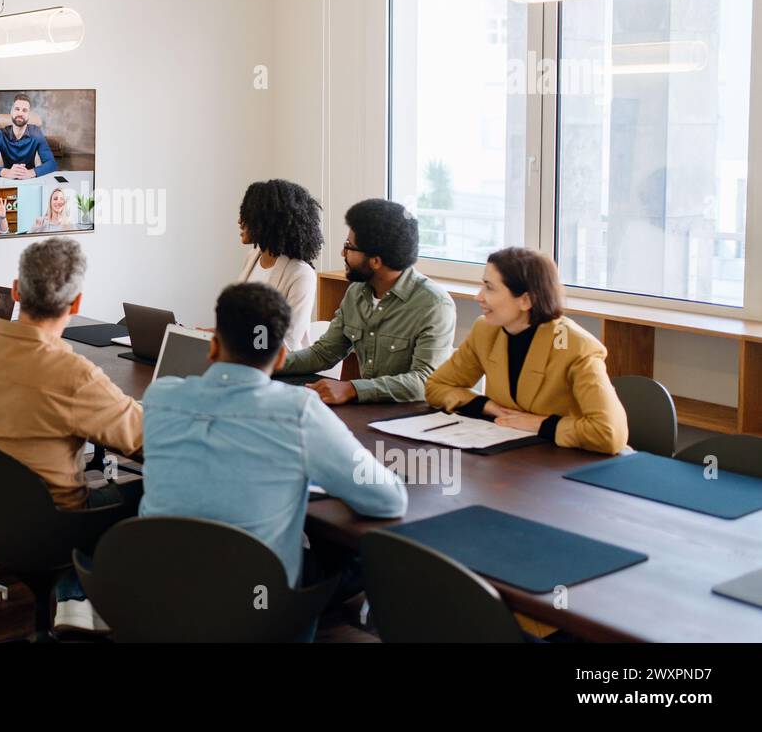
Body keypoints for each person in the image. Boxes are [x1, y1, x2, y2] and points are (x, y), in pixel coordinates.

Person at [139, 282, 408, 641]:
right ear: (281, 357)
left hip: (158, 585)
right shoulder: (298, 412)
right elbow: (387, 500)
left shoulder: (159, 395)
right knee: (354, 557)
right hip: (255, 603)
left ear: (214, 344)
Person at [0, 237, 142, 633]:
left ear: (16, 290)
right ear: (76, 304)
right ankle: (94, 597)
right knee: (141, 489)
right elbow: (142, 437)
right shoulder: (72, 374)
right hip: (50, 528)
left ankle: (74, 596)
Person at [426, 247, 629, 455]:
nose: (479, 297)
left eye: (489, 288)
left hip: (568, 462)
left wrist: (541, 424)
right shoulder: (485, 330)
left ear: (526, 300)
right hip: (512, 454)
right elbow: (437, 386)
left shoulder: (576, 346)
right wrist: (486, 406)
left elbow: (610, 433)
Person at [281, 198, 456, 405]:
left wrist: (352, 388)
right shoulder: (356, 293)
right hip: (367, 411)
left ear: (375, 261)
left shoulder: (434, 305)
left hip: (408, 419)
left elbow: (424, 381)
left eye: (349, 247)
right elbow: (324, 353)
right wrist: (272, 363)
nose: (342, 253)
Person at [236, 179, 323, 350]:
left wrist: (234, 345)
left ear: (268, 221)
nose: (240, 221)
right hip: (242, 357)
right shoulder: (252, 258)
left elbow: (287, 341)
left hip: (279, 366)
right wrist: (215, 334)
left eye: (247, 214)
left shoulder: (301, 274)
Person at [0, 93, 56, 179]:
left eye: (24, 110)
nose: (20, 113)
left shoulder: (36, 133)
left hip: (29, 179)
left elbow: (52, 163)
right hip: (7, 180)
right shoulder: (1, 134)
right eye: (17, 109)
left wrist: (31, 173)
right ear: (11, 112)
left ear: (29, 115)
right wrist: (6, 172)